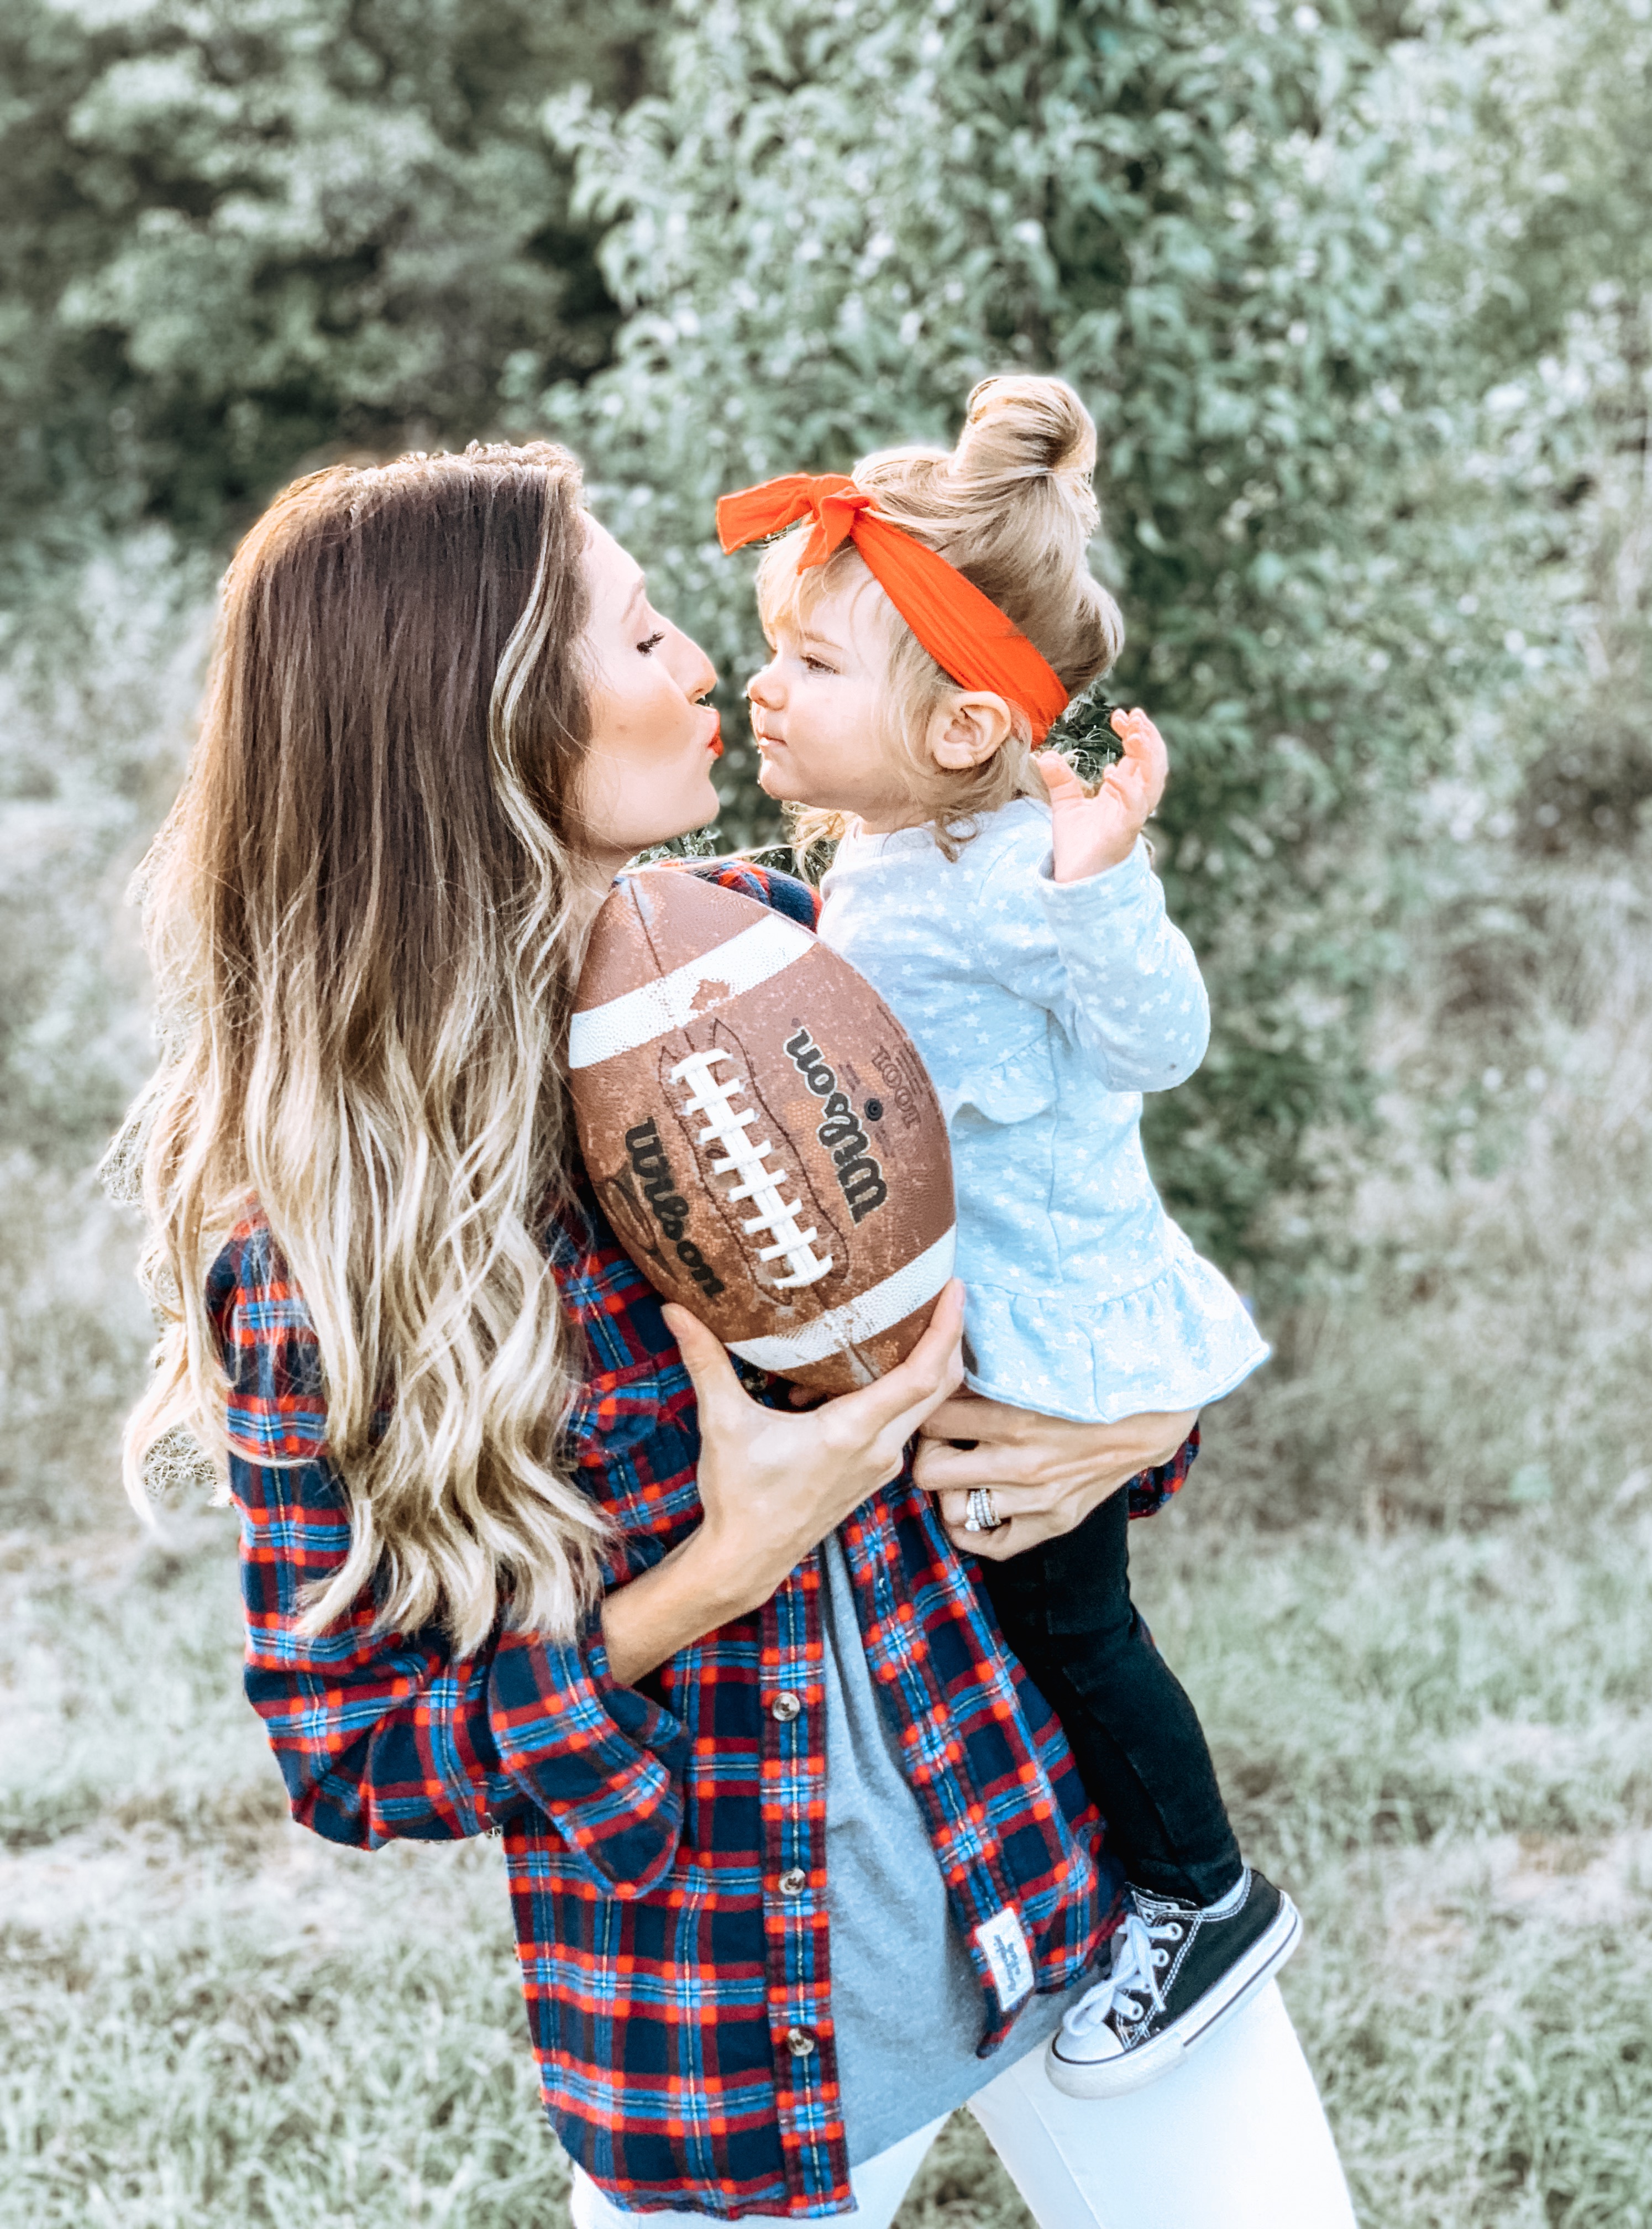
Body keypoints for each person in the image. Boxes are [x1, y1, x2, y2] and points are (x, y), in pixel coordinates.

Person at [114, 440, 1355, 2225]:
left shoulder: (794, 959)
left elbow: (1056, 1250)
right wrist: (722, 1565)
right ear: (485, 729)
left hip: (1067, 1887)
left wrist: (1134, 1433)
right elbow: (352, 1749)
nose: (703, 663)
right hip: (732, 2046)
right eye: (640, 639)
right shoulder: (324, 1249)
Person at [718, 374, 1294, 2099]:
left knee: (1074, 1630)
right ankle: (1094, 1875)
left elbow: (1161, 1041)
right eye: (778, 649)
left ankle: (1204, 1896)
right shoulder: (902, 843)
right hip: (985, 1318)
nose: (766, 684)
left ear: (962, 726)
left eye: (814, 665)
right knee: (1021, 1628)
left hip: (1050, 1337)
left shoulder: (1024, 868)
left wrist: (1104, 870)